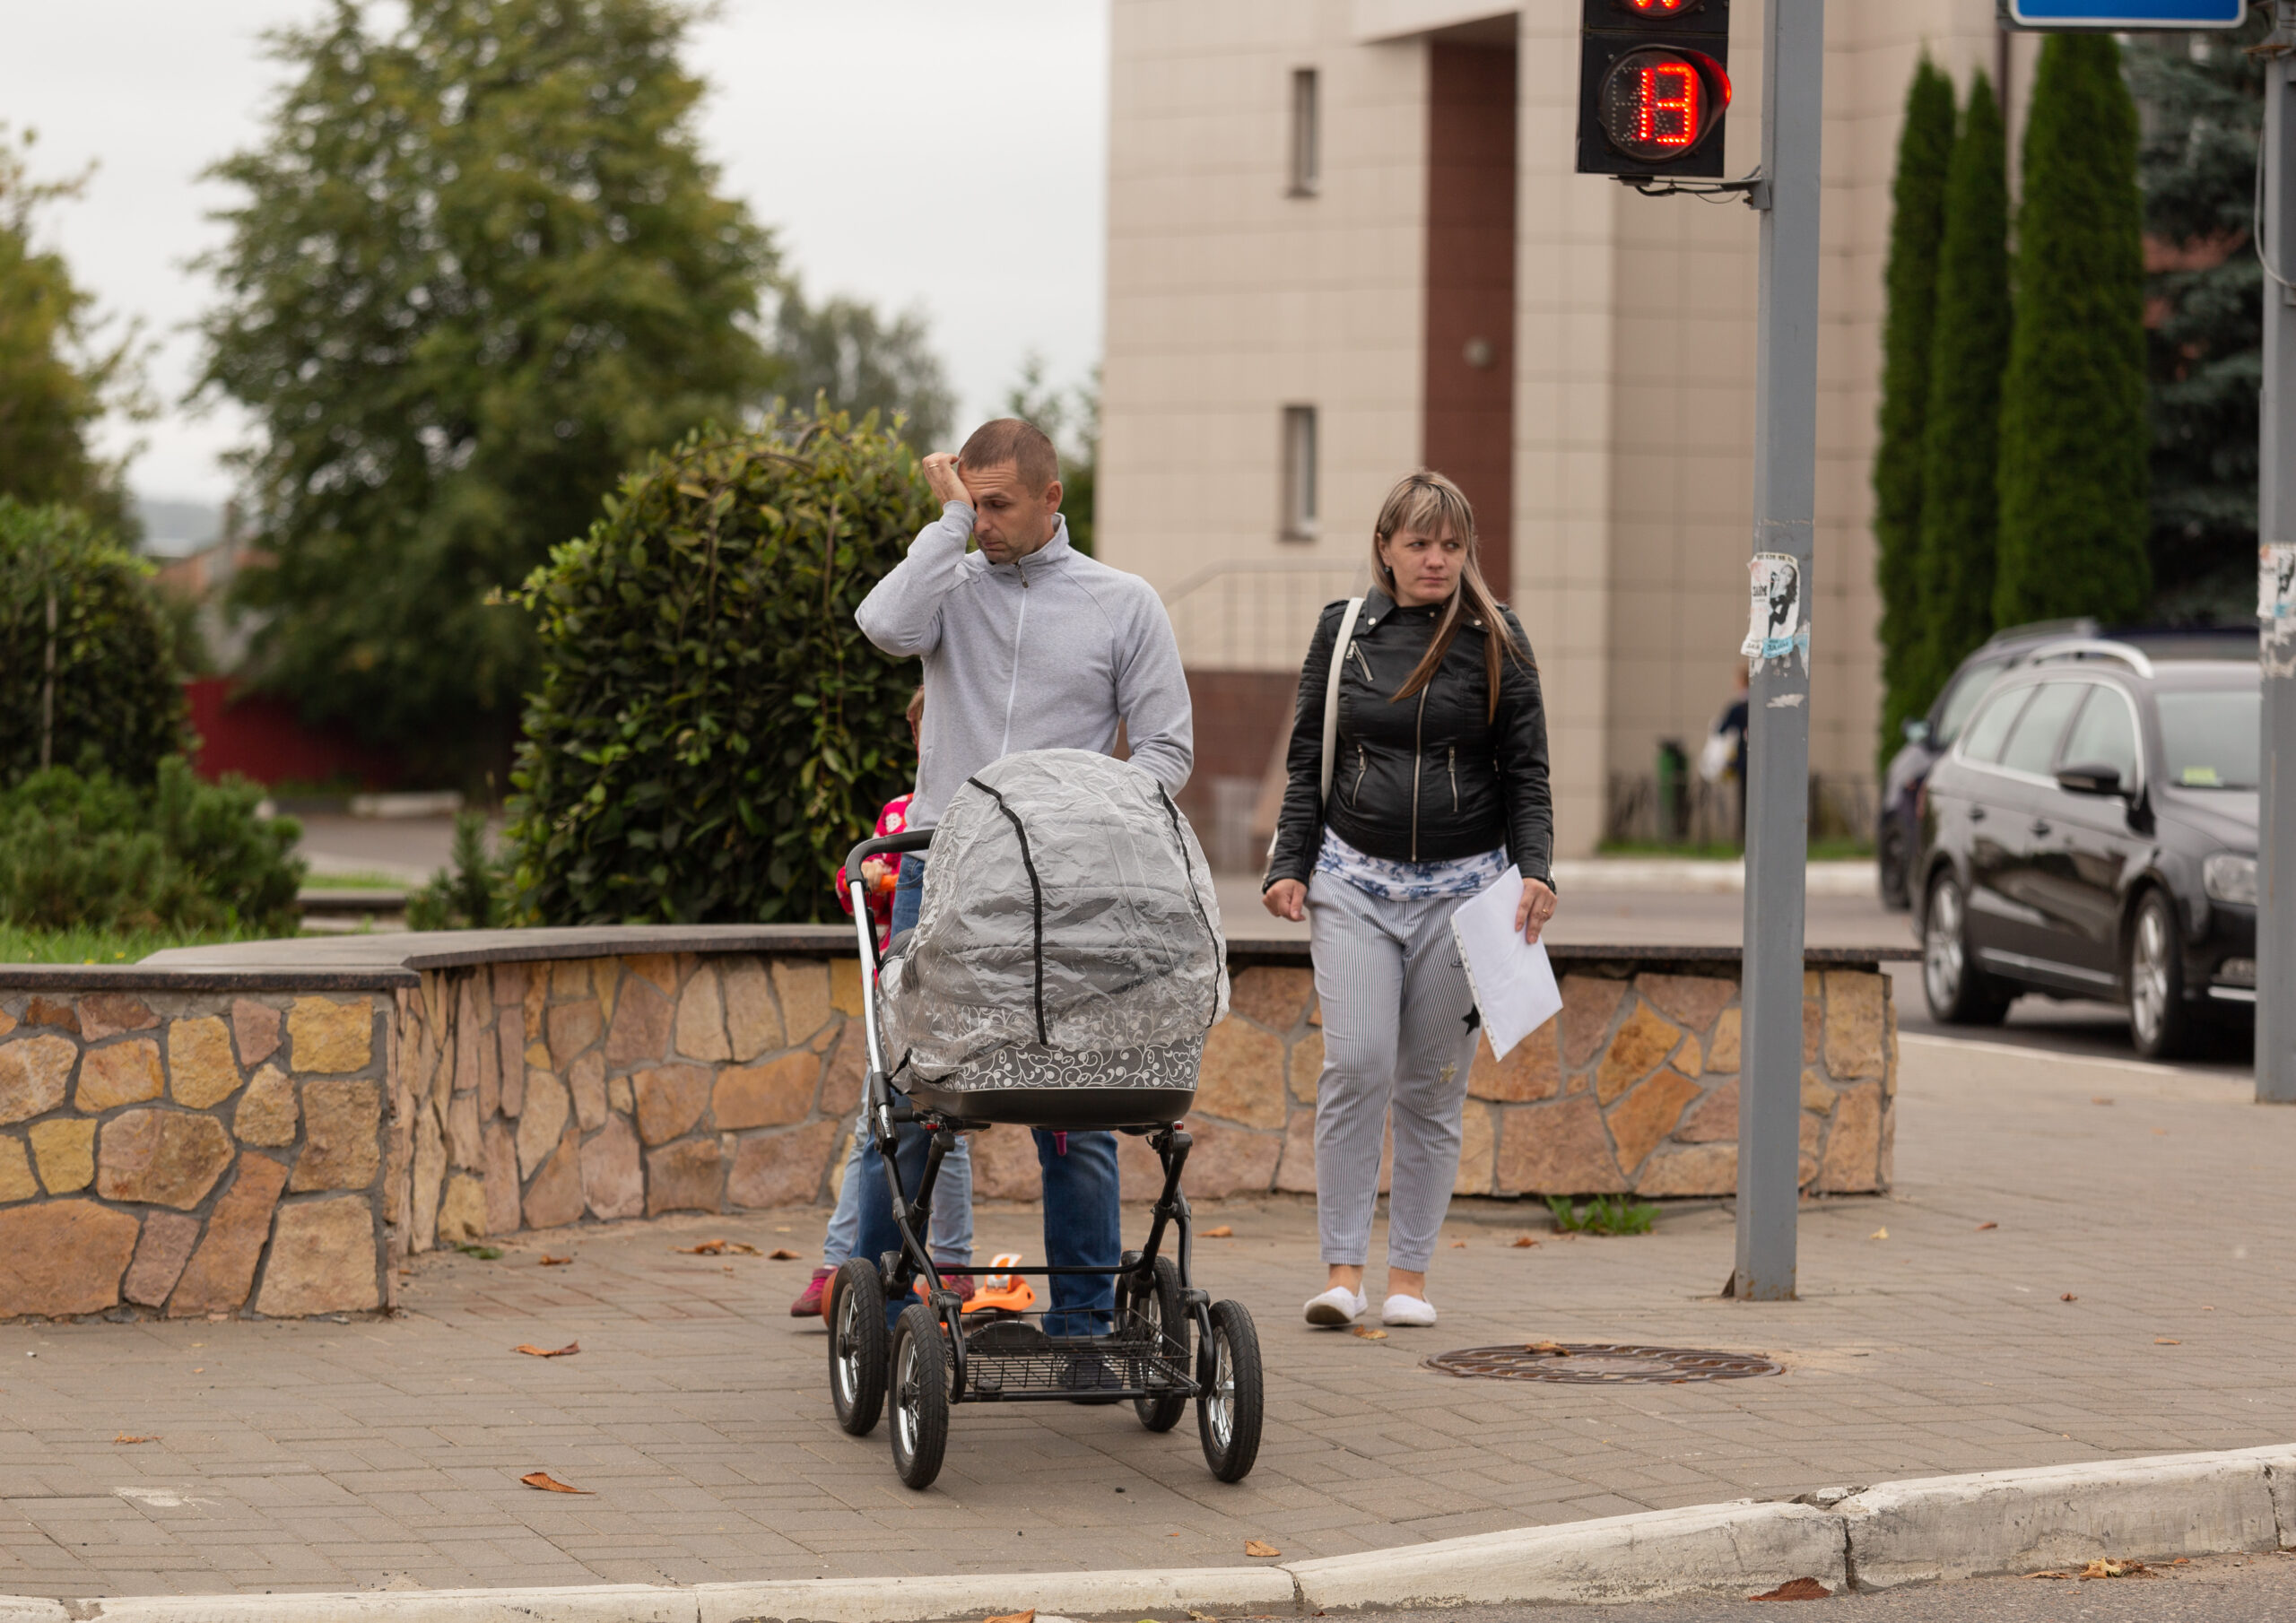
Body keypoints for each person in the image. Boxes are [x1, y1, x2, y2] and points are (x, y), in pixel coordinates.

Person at [848, 417, 1193, 1359]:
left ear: (1053, 499)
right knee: (916, 1105)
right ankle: (877, 1317)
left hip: (1067, 893)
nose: (984, 521)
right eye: (972, 500)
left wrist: (1080, 821)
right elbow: (881, 626)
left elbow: (1166, 748)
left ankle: (1084, 1328)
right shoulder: (947, 587)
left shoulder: (1123, 603)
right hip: (943, 877)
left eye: (998, 504)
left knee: (1072, 1116)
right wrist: (947, 524)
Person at [1263, 470, 1556, 1331]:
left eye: (1452, 545)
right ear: (1385, 546)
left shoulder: (1499, 638)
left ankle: (1409, 1281)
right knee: (1355, 1065)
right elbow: (1308, 755)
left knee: (1430, 1087)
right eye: (1419, 543)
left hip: (1464, 896)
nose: (1436, 560)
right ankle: (1342, 1274)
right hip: (1353, 881)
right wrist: (1290, 860)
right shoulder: (1345, 631)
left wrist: (1536, 870)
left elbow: (1527, 773)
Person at [791, 687, 974, 1318]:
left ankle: (950, 1258)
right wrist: (867, 880)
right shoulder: (901, 814)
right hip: (898, 999)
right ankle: (841, 1260)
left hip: (960, 999)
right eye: (926, 733)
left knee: (939, 1134)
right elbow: (856, 885)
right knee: (879, 1130)